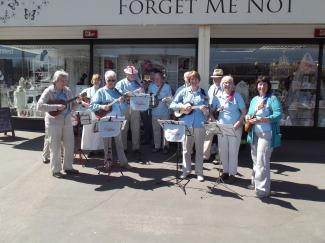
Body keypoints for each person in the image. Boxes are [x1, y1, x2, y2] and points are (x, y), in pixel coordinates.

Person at [37, 70, 80, 178]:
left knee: (69, 145)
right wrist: (55, 107)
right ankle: (56, 170)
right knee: (55, 147)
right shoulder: (49, 91)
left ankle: (68, 167)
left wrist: (77, 103)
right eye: (62, 80)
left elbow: (73, 106)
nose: (64, 82)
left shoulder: (68, 91)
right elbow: (39, 106)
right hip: (53, 122)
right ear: (56, 80)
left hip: (67, 121)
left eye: (66, 80)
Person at [246, 76, 282, 198]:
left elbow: (278, 114)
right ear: (257, 86)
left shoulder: (272, 99)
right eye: (260, 84)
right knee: (255, 159)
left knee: (262, 160)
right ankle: (255, 182)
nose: (262, 86)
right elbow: (250, 113)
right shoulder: (254, 99)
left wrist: (264, 119)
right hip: (254, 132)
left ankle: (262, 190)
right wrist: (248, 116)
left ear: (268, 86)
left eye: (264, 84)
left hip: (267, 134)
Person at [170, 71, 209, 182]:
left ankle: (199, 172)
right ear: (189, 80)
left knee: (199, 150)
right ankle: (186, 171)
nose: (194, 81)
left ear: (198, 80)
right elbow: (173, 105)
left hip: (199, 125)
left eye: (196, 79)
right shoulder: (183, 92)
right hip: (186, 124)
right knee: (186, 150)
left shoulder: (203, 93)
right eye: (192, 79)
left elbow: (208, 111)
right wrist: (183, 106)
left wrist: (205, 110)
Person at [90, 70, 129, 168]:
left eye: (113, 80)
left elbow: (124, 108)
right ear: (105, 80)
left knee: (119, 142)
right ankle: (107, 163)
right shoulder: (101, 91)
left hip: (116, 119)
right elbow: (92, 106)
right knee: (107, 143)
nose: (111, 82)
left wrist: (122, 102)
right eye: (109, 80)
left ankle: (124, 163)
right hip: (105, 119)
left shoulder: (117, 92)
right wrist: (102, 107)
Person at [212, 75, 246, 184]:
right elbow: (212, 110)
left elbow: (244, 112)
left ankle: (232, 173)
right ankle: (225, 171)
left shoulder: (237, 96)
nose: (227, 85)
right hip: (221, 127)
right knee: (223, 151)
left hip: (234, 128)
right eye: (225, 83)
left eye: (229, 83)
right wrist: (214, 121)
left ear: (232, 85)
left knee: (233, 151)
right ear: (222, 84)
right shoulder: (218, 96)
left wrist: (238, 122)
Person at [115, 65, 144, 160]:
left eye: (133, 74)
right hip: (124, 108)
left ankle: (136, 147)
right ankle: (123, 148)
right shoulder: (120, 83)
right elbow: (117, 94)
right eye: (130, 74)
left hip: (135, 107)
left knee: (136, 128)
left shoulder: (137, 83)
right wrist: (131, 93)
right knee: (124, 128)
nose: (132, 75)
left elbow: (142, 94)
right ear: (126, 74)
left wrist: (141, 90)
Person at [148, 70, 173, 153]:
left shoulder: (167, 87)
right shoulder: (151, 86)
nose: (157, 80)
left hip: (165, 112)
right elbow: (148, 98)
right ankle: (157, 146)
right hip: (154, 112)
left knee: (166, 130)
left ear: (162, 78)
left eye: (158, 78)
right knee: (156, 130)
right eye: (155, 78)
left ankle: (165, 146)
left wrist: (167, 99)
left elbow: (171, 99)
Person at [79, 74, 104, 155]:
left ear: (100, 81)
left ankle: (100, 149)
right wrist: (84, 103)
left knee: (99, 132)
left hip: (99, 113)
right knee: (88, 132)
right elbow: (78, 99)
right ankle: (90, 150)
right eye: (95, 80)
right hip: (88, 113)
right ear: (92, 81)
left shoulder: (103, 91)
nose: (96, 81)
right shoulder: (87, 90)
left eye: (98, 80)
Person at [203, 68, 223, 162]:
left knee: (220, 136)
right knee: (208, 134)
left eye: (218, 78)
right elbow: (208, 100)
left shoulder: (225, 88)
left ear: (222, 78)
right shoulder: (211, 87)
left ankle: (219, 157)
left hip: (221, 115)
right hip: (211, 114)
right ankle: (205, 155)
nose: (215, 79)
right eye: (214, 77)